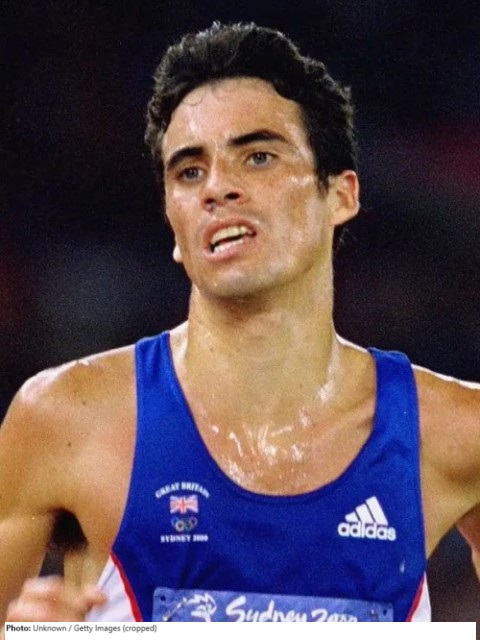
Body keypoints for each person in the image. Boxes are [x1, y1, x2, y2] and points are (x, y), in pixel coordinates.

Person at [1, 21, 479, 624]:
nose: (218, 188)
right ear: (173, 222)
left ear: (341, 195)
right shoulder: (66, 420)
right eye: (189, 171)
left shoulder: (456, 432)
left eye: (257, 157)